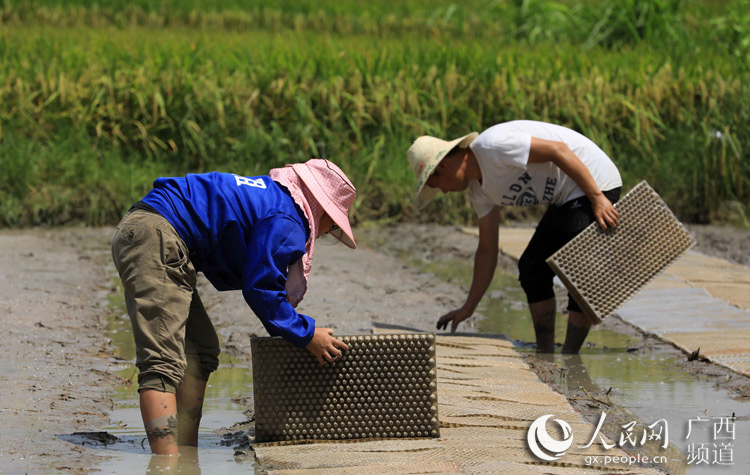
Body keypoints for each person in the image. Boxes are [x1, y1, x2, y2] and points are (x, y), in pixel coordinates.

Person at [111, 159, 356, 455]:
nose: (328, 231)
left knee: (200, 350)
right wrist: (306, 334)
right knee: (161, 361)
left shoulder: (275, 200)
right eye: (332, 221)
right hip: (157, 233)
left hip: (158, 232)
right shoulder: (288, 217)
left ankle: (187, 452)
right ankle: (167, 463)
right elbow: (261, 288)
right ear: (320, 207)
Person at [407, 120, 622, 354]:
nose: (444, 191)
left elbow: (558, 151)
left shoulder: (493, 146)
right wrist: (468, 307)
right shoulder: (478, 192)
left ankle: (570, 356)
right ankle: (545, 353)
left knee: (579, 261)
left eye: (437, 184)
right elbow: (487, 249)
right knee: (531, 267)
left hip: (594, 179)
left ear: (443, 167)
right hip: (565, 197)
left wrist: (596, 197)